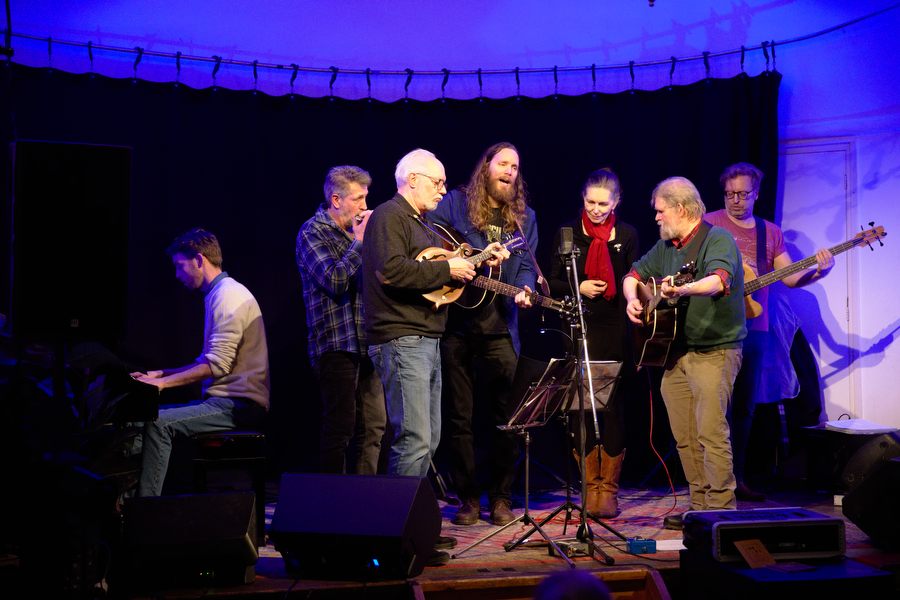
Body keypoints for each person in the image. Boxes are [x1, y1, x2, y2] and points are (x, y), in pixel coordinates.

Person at [361, 148, 507, 563]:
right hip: (402, 337)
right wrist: (448, 271)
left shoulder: (421, 224)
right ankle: (397, 535)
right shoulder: (390, 216)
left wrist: (474, 263)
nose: (444, 189)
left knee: (429, 439)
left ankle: (415, 529)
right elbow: (391, 271)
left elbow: (438, 272)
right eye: (437, 181)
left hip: (426, 337)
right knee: (414, 438)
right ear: (412, 180)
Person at [623, 177, 746, 529]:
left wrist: (684, 288)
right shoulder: (667, 247)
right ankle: (699, 506)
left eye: (661, 211)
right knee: (685, 436)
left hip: (715, 350)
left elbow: (718, 280)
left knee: (710, 431)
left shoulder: (717, 238)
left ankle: (722, 511)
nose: (657, 218)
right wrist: (633, 298)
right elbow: (633, 275)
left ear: (679, 209)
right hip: (676, 352)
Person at [706, 162, 834, 500]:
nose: (736, 200)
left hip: (755, 327)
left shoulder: (769, 232)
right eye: (730, 194)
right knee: (714, 406)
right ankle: (708, 481)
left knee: (745, 407)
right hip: (714, 327)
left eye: (743, 194)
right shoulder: (708, 224)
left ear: (756, 194)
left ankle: (736, 478)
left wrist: (819, 271)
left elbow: (790, 277)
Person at [429, 142, 537, 526]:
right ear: (486, 167)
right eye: (503, 163)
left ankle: (502, 497)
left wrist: (525, 288)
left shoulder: (525, 218)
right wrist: (473, 253)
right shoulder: (455, 204)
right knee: (459, 418)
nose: (509, 170)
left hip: (501, 328)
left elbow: (525, 265)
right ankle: (468, 499)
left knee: (508, 417)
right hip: (456, 326)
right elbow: (430, 239)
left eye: (515, 166)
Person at [131, 228, 270, 497]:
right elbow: (208, 361)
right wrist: (157, 373)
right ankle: (124, 501)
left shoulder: (228, 296)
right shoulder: (219, 294)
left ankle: (144, 511)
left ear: (198, 259)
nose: (177, 275)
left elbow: (216, 366)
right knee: (137, 426)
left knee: (158, 424)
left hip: (238, 405)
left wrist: (160, 384)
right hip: (223, 401)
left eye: (178, 266)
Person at [548, 168, 639, 518]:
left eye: (604, 203)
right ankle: (590, 485)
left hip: (615, 330)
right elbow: (551, 282)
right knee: (582, 408)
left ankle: (608, 488)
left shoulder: (627, 234)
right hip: (580, 327)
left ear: (616, 201)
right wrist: (579, 287)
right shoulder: (567, 234)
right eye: (590, 202)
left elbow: (635, 278)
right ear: (582, 199)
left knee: (611, 407)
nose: (597, 209)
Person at [296, 165, 386, 475]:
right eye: (358, 199)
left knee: (373, 427)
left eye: (366, 198)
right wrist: (360, 242)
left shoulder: (360, 234)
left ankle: (364, 504)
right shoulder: (312, 232)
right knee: (341, 428)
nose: (364, 206)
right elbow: (334, 279)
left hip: (368, 342)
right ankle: (332, 504)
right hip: (335, 345)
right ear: (336, 199)